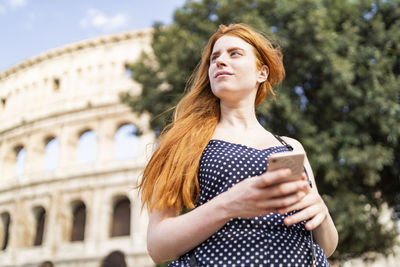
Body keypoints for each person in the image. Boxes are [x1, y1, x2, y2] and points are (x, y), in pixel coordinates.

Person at [138, 23, 338, 266]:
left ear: (261, 73)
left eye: (234, 54)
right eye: (214, 58)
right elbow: (158, 247)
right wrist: (228, 205)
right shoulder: (185, 143)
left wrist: (322, 213)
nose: (220, 61)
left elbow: (325, 247)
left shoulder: (291, 147)